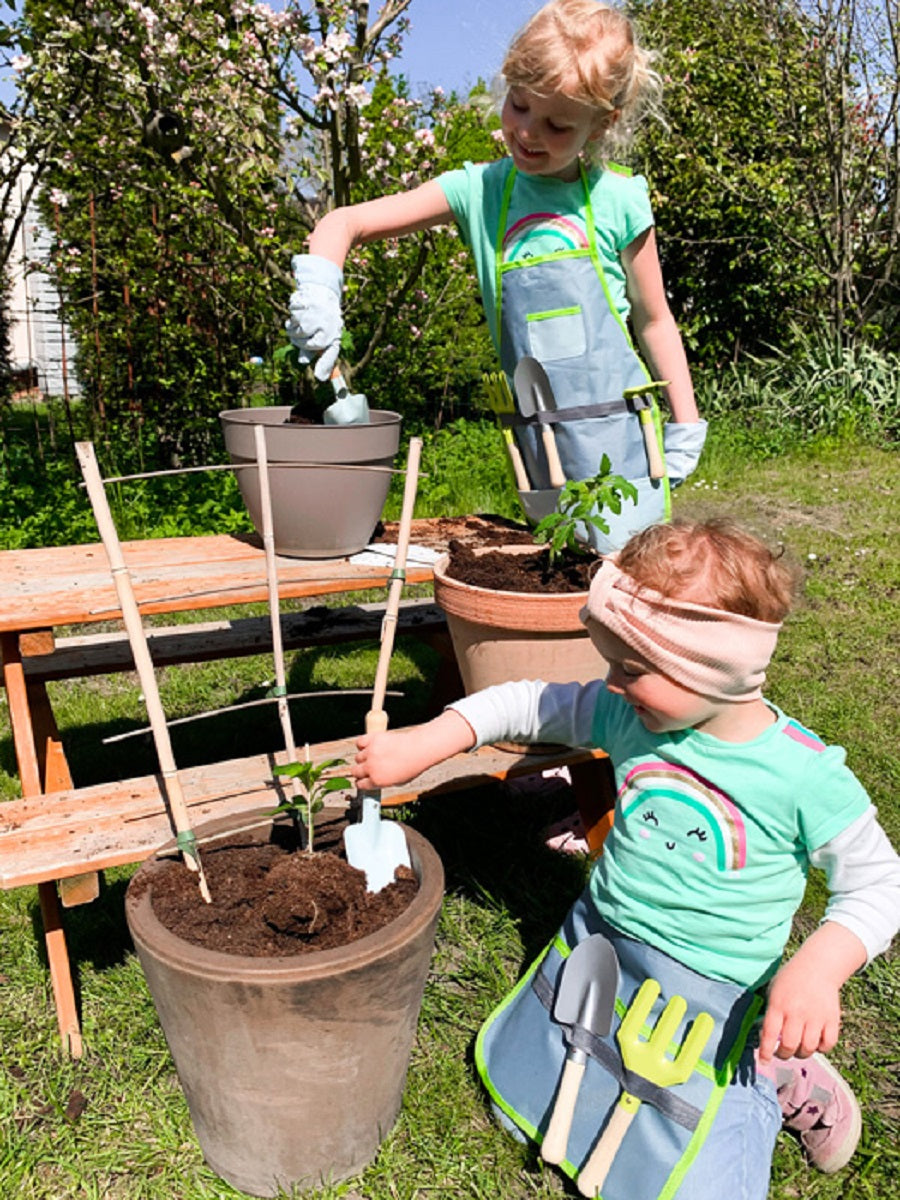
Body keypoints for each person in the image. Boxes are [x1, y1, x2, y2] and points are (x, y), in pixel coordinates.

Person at [351, 519, 900, 1198]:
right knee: (519, 1107)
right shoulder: (630, 715)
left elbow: (880, 881)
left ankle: (782, 1071)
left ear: (715, 668)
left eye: (631, 668)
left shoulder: (801, 775)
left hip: (718, 993)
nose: (609, 683)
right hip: (604, 948)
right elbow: (528, 701)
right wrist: (433, 739)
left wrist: (821, 965)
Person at [286, 0, 707, 550]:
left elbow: (655, 322)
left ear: (603, 125)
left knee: (628, 587)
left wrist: (686, 422)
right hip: (541, 448)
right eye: (519, 105)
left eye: (556, 124)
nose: (528, 132)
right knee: (560, 580)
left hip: (626, 444)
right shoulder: (479, 193)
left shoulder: (619, 200)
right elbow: (345, 223)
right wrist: (319, 285)